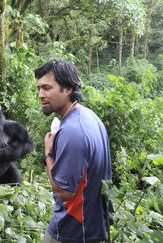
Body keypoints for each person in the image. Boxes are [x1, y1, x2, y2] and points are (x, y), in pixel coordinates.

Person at [35, 60, 112, 243]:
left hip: (73, 230)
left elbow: (64, 192)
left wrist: (48, 153)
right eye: (39, 88)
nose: (40, 95)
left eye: (47, 88)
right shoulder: (88, 116)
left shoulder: (72, 132)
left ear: (68, 89)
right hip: (93, 226)